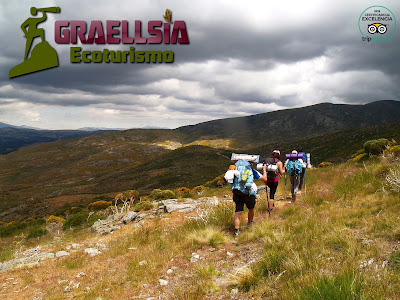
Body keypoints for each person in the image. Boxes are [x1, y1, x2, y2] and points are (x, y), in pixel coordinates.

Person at [224, 161, 256, 236]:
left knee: (238, 212)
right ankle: (250, 223)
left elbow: (230, 182)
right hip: (248, 194)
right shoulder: (249, 170)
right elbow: (250, 183)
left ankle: (237, 230)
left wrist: (233, 189)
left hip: (237, 193)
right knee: (251, 208)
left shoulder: (234, 171)